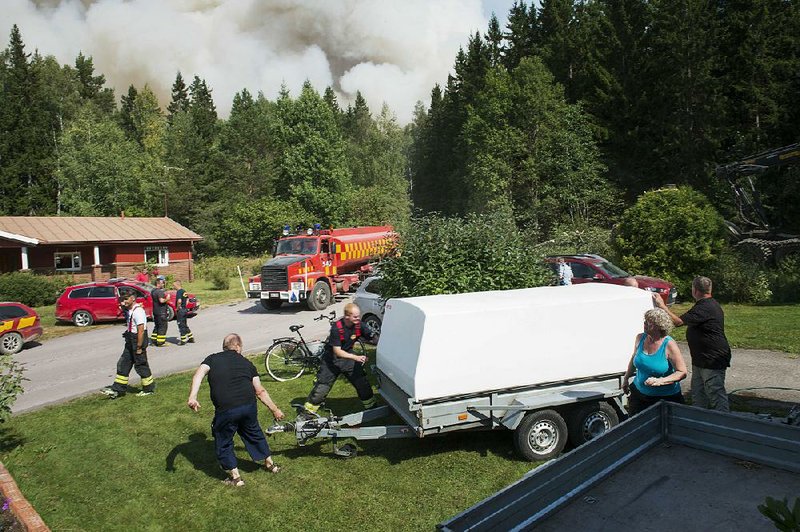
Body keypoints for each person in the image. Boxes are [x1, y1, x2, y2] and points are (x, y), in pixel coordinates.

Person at [187, 333, 284, 486]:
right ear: (238, 347)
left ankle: (236, 478)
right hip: (248, 407)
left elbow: (198, 375)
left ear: (224, 347)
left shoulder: (211, 359)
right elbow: (260, 391)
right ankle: (271, 465)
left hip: (226, 410)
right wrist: (275, 409)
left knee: (223, 439)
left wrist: (193, 396)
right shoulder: (247, 363)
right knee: (254, 433)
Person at [654, 276, 732, 412]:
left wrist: (662, 306)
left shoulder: (706, 307)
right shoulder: (705, 305)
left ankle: (723, 423)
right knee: (698, 392)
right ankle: (698, 420)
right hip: (701, 358)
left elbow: (678, 322)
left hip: (712, 359)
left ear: (695, 290)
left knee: (715, 394)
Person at [301, 302, 378, 417]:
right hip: (331, 360)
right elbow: (337, 352)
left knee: (362, 383)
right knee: (322, 387)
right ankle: (307, 413)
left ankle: (372, 408)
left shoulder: (359, 325)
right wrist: (356, 357)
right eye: (355, 316)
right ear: (347, 316)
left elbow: (374, 338)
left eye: (359, 316)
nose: (358, 318)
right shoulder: (336, 328)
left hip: (348, 358)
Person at [623, 308, 688, 415]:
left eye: (649, 323)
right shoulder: (640, 338)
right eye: (645, 321)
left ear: (659, 327)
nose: (644, 324)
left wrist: (660, 381)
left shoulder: (669, 345)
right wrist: (626, 378)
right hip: (639, 394)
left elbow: (682, 372)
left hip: (664, 399)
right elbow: (634, 358)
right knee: (636, 427)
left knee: (662, 429)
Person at [100, 290, 156, 399]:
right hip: (130, 340)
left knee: (141, 365)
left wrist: (139, 347)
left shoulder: (138, 312)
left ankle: (149, 388)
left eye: (126, 299)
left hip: (137, 340)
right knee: (123, 363)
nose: (123, 301)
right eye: (122, 299)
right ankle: (118, 389)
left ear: (133, 298)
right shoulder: (130, 309)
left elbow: (141, 330)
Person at [150, 275, 169, 347]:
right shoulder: (159, 292)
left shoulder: (153, 291)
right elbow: (161, 301)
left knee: (157, 326)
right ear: (159, 283)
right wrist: (167, 298)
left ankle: (153, 340)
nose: (163, 284)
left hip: (156, 311)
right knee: (162, 327)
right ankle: (161, 342)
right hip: (161, 312)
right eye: (162, 283)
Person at [173, 280, 194, 345]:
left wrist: (178, 308)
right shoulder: (184, 291)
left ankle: (183, 340)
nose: (173, 287)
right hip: (185, 310)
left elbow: (179, 301)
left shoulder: (179, 292)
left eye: (174, 285)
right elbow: (187, 300)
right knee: (184, 324)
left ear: (177, 285)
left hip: (181, 311)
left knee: (181, 325)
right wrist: (184, 306)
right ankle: (191, 338)